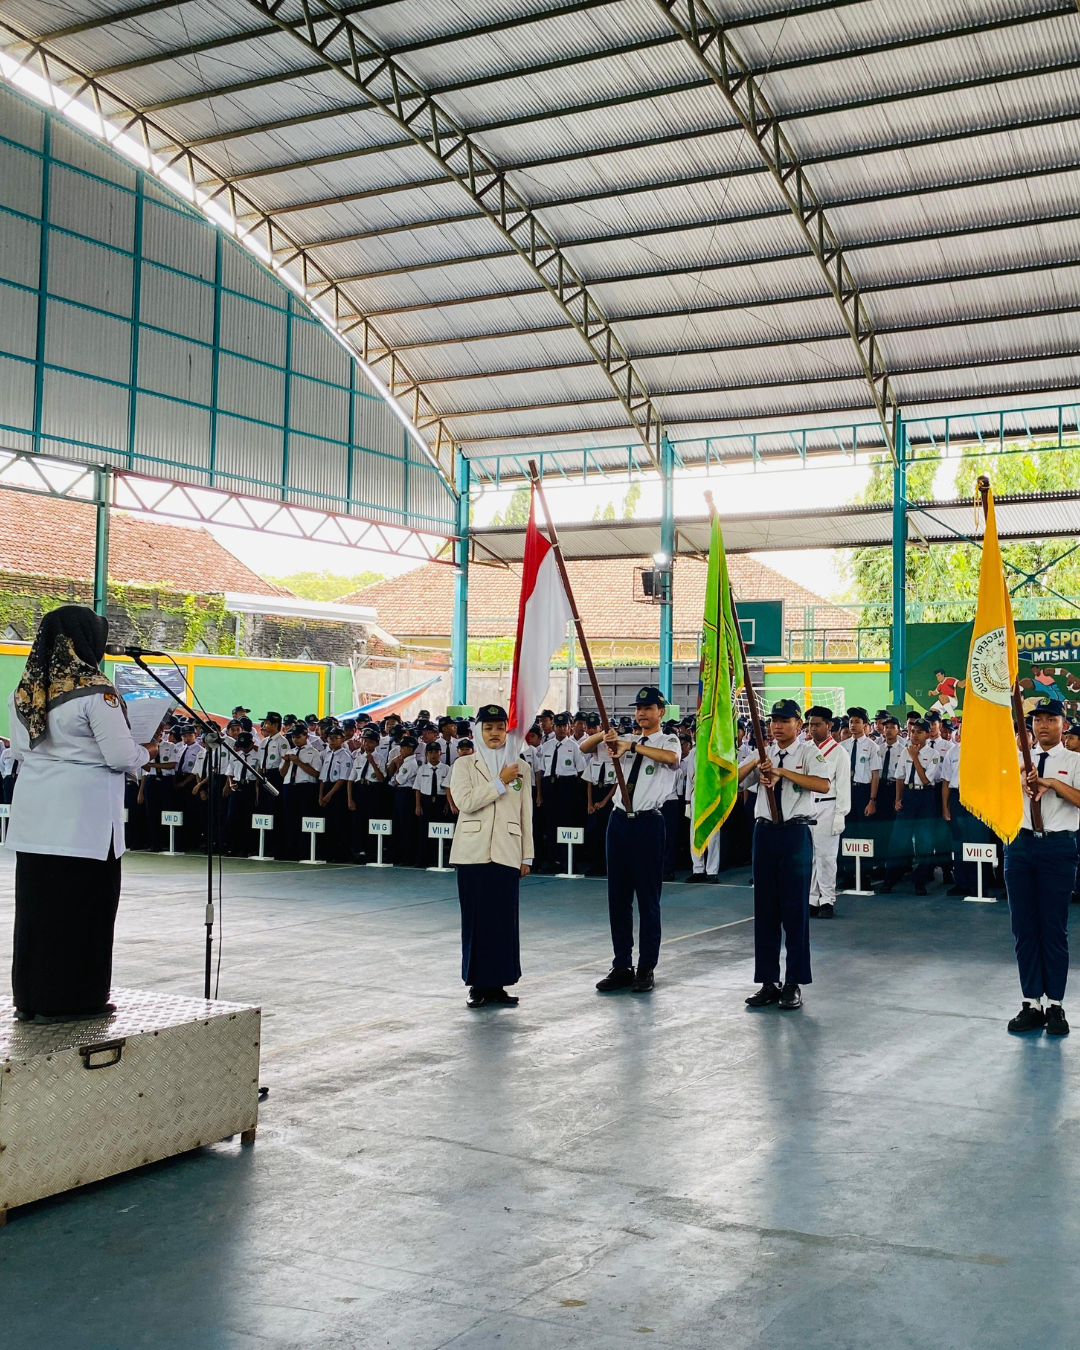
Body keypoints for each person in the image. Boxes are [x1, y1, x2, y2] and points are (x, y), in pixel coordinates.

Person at [5, 606, 155, 1022]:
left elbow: (20, 750)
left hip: (36, 817)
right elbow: (120, 754)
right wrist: (148, 753)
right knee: (84, 912)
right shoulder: (95, 690)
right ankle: (75, 1000)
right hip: (83, 823)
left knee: (38, 913)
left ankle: (31, 1000)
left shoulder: (25, 690)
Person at [580, 686, 680, 994]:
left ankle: (646, 966)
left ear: (661, 712)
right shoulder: (626, 738)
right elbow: (585, 748)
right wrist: (607, 735)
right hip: (619, 821)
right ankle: (621, 964)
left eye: (648, 708)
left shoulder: (667, 739)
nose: (641, 713)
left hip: (649, 824)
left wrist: (632, 748)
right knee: (617, 897)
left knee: (648, 899)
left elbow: (672, 758)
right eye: (638, 708)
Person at [739, 700, 829, 1010]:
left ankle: (794, 982)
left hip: (794, 833)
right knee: (764, 910)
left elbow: (822, 783)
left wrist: (782, 772)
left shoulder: (807, 752)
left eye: (785, 720)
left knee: (794, 910)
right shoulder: (762, 753)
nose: (777, 726)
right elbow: (736, 780)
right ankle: (768, 981)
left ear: (798, 724)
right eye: (774, 720)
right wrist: (757, 764)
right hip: (764, 833)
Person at [447, 705, 533, 1009]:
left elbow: (526, 814)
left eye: (500, 728)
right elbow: (465, 802)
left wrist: (528, 855)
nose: (495, 734)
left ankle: (499, 984)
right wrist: (499, 781)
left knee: (503, 922)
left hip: (508, 853)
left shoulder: (521, 767)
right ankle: (477, 986)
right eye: (488, 728)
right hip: (472, 854)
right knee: (476, 921)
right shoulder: (464, 766)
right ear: (478, 732)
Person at [1003, 698, 1080, 1036]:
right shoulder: (1021, 761)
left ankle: (1056, 1005)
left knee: (1053, 929)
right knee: (1024, 928)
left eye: (1051, 719)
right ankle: (1031, 1001)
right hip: (1020, 846)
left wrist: (1051, 784)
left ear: (1064, 724)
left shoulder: (1074, 760)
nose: (1043, 725)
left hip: (1057, 848)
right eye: (1037, 720)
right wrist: (1016, 777)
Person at [880, 719, 944, 894]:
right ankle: (890, 880)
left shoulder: (933, 754)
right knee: (898, 840)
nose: (914, 736)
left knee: (924, 841)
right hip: (908, 796)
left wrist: (915, 757)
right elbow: (900, 777)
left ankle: (920, 881)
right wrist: (898, 799)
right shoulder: (904, 752)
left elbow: (925, 780)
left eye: (919, 732)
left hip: (925, 797)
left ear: (927, 734)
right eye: (912, 732)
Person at [805, 706, 850, 919]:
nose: (813, 729)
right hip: (806, 806)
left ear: (829, 725)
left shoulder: (839, 752)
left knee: (826, 857)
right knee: (809, 856)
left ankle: (827, 899)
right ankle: (812, 898)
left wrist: (841, 814)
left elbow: (842, 785)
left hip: (828, 806)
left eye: (817, 724)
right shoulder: (804, 749)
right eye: (810, 725)